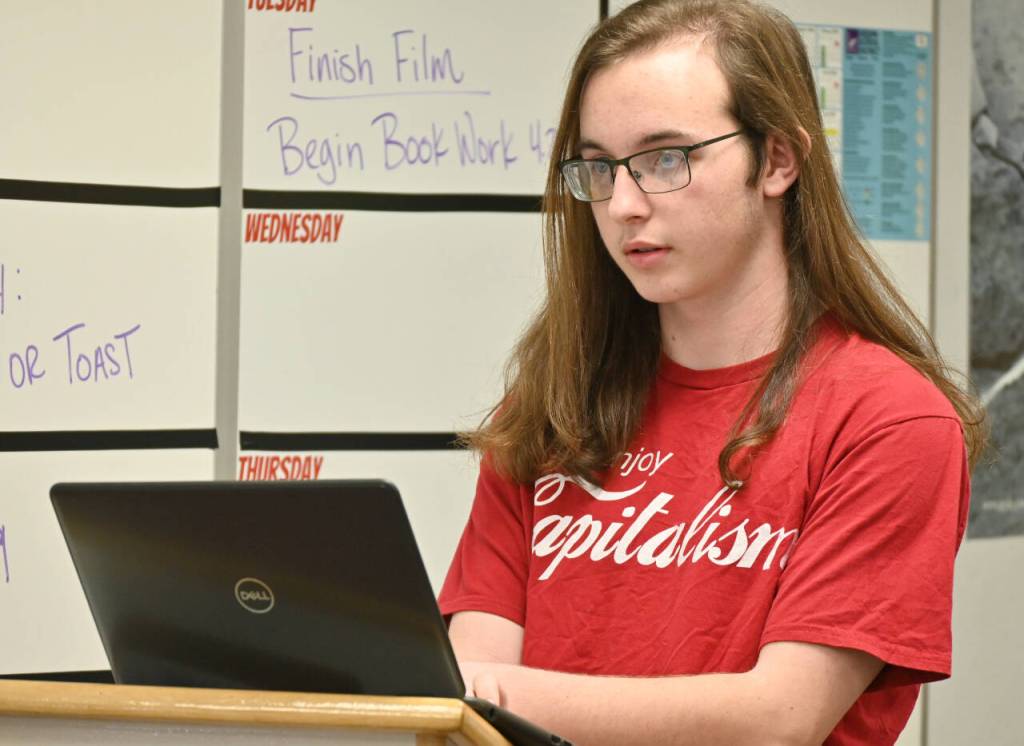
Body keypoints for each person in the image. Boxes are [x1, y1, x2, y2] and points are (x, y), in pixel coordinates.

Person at [438, 1, 987, 744]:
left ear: (778, 160)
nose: (623, 206)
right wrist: (472, 691)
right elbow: (468, 694)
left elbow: (777, 719)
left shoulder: (889, 420)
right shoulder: (551, 408)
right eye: (599, 167)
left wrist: (489, 693)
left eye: (666, 159)